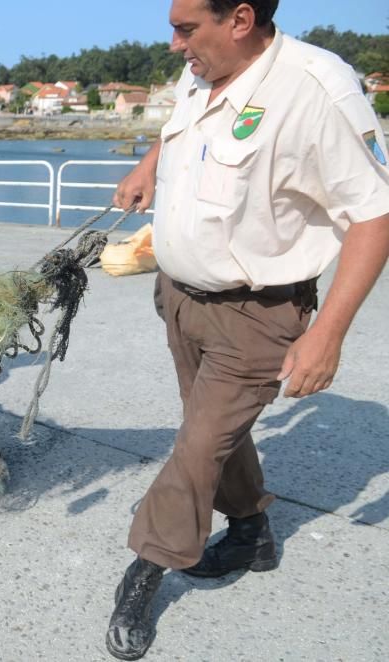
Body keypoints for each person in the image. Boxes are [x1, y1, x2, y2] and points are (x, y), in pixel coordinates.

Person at [105, 1, 389, 659]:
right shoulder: (205, 67)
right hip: (180, 297)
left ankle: (147, 566)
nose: (174, 45)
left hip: (259, 315)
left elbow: (375, 215)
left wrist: (329, 335)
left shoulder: (317, 89)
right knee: (216, 433)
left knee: (197, 446)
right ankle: (252, 530)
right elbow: (185, 129)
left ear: (239, 18)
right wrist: (149, 164)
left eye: (185, 29)